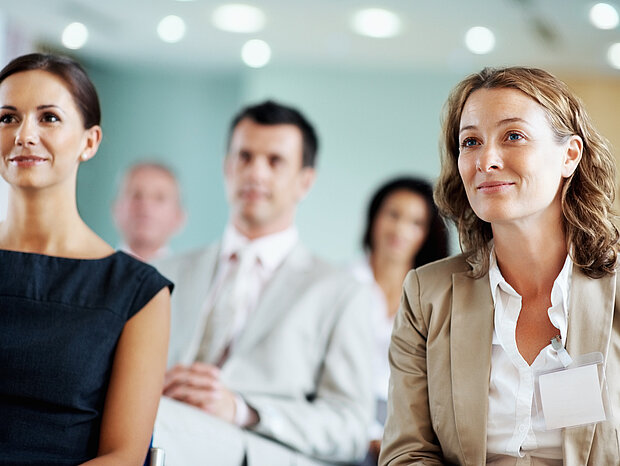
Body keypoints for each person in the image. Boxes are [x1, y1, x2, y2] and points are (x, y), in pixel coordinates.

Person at [379, 66, 620, 465]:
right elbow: (407, 451)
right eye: (470, 142)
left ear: (569, 155)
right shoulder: (427, 294)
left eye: (513, 136)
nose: (486, 160)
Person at [154, 100, 374, 465]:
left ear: (305, 181)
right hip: (157, 437)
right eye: (244, 157)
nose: (255, 173)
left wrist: (244, 410)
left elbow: (350, 429)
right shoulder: (166, 271)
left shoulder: (340, 292)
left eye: (274, 161)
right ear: (227, 167)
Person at [0, 53, 172, 465]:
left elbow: (124, 456)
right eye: (7, 118)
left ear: (89, 142)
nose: (24, 134)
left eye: (49, 118)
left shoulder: (139, 294)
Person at [352, 176, 449, 464]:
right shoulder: (340, 286)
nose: (400, 230)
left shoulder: (435, 299)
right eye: (393, 215)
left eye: (415, 223)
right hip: (345, 420)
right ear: (374, 217)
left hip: (405, 431)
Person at [113, 161, 185, 262]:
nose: (146, 205)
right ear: (116, 208)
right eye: (136, 195)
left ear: (178, 217)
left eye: (159, 198)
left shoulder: (191, 276)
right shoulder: (92, 272)